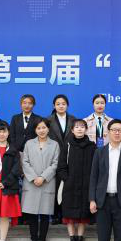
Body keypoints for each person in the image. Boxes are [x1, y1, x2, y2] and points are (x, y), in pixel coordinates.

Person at [57, 119, 96, 241]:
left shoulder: (92, 146)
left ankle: (80, 240)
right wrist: (67, 180)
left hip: (86, 186)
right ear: (72, 130)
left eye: (82, 127)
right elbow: (61, 166)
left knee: (83, 216)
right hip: (70, 186)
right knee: (70, 215)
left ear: (86, 129)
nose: (79, 129)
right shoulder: (67, 145)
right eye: (77, 127)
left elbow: (95, 167)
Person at [21, 119, 59, 241]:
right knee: (31, 215)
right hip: (31, 182)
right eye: (38, 128)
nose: (41, 130)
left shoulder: (54, 144)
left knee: (44, 214)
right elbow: (25, 162)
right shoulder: (29, 143)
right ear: (35, 130)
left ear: (48, 129)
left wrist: (43, 177)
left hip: (47, 182)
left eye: (44, 128)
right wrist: (34, 177)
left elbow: (55, 163)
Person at [48, 94, 75, 225]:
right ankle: (55, 215)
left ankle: (65, 214)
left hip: (69, 156)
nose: (61, 106)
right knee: (54, 185)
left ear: (67, 105)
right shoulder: (48, 120)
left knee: (67, 186)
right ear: (54, 106)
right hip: (53, 156)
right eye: (58, 104)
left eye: (63, 104)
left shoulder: (73, 119)